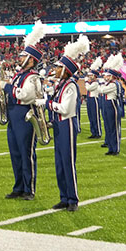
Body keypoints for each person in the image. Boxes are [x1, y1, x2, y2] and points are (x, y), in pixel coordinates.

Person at [4, 21, 46, 201]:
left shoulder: (32, 77)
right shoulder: (19, 75)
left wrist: (8, 89)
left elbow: (26, 96)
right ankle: (19, 186)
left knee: (26, 153)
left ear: (31, 59)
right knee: (15, 153)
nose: (19, 59)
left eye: (23, 56)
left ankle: (29, 189)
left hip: (25, 115)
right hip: (14, 115)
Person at [48, 34, 90, 212]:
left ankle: (73, 198)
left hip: (67, 124)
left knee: (68, 162)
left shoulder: (71, 86)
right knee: (59, 162)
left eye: (59, 68)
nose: (55, 70)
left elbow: (65, 108)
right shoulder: (60, 84)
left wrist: (48, 103)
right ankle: (63, 197)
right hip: (59, 125)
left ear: (66, 70)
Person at [101, 53, 126, 155]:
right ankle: (111, 148)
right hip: (108, 104)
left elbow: (102, 90)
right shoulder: (110, 83)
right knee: (109, 127)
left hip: (112, 104)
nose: (105, 77)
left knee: (114, 128)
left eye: (107, 75)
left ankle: (115, 148)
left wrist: (102, 85)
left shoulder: (114, 84)